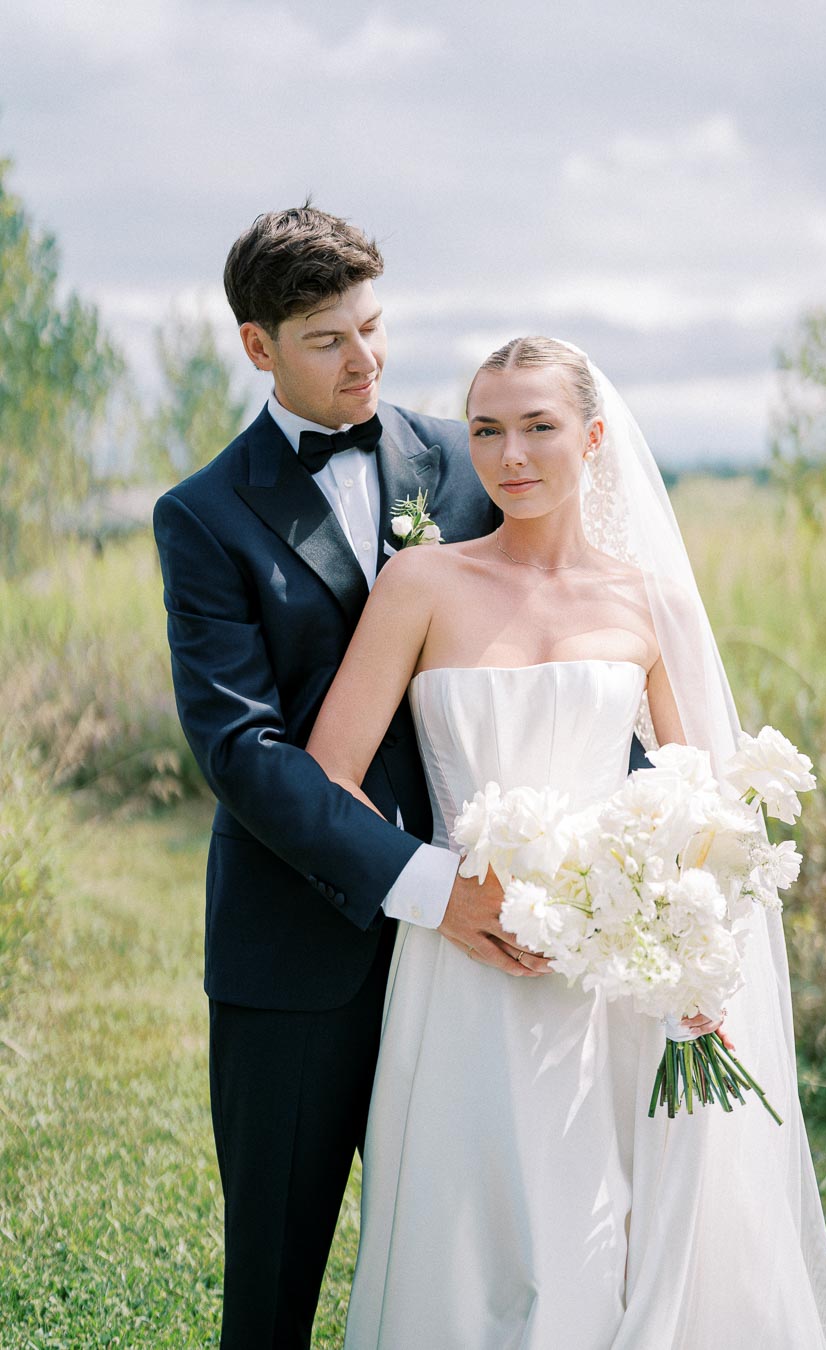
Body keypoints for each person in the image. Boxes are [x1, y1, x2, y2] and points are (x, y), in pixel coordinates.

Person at [306, 337, 826, 1349]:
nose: (511, 454)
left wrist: (691, 952)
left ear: (593, 439)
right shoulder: (421, 583)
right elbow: (329, 771)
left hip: (616, 976)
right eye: (487, 430)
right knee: (478, 1231)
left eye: (540, 427)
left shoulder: (646, 600)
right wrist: (436, 892)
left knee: (617, 1229)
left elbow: (705, 802)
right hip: (464, 957)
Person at [153, 206, 540, 1349]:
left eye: (374, 326)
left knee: (474, 1274)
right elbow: (241, 750)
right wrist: (424, 884)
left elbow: (537, 658)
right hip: (293, 954)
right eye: (327, 339)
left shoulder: (462, 469)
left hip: (481, 958)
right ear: (257, 346)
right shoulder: (203, 517)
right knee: (272, 1284)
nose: (365, 360)